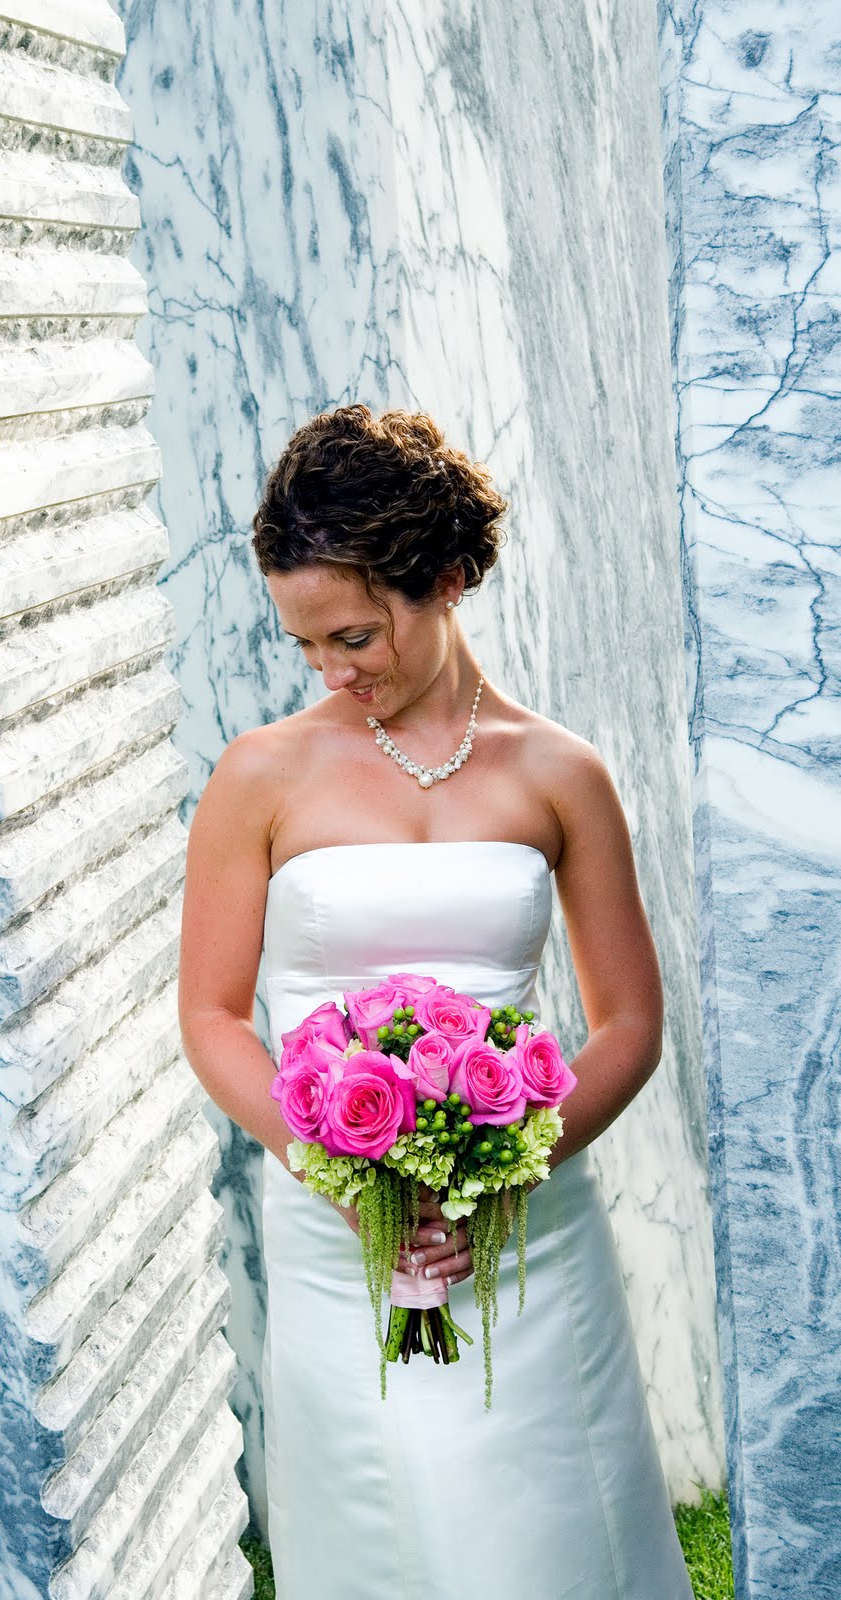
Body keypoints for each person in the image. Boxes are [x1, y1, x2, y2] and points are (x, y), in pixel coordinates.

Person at [177, 404, 695, 1599]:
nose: (334, 672)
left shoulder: (561, 773)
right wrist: (334, 1162)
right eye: (307, 647)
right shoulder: (260, 775)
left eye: (354, 634)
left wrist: (510, 1167)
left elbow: (628, 1021)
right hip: (332, 1221)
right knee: (386, 1522)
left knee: (544, 1520)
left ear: (447, 576)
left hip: (529, 1226)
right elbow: (211, 1013)